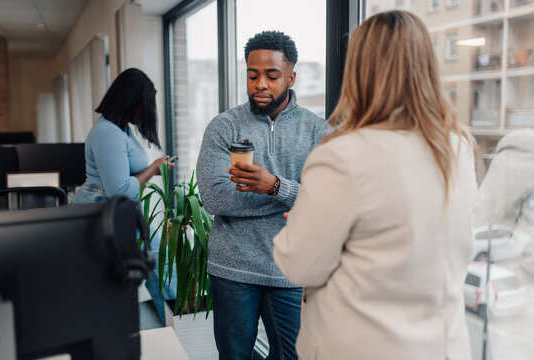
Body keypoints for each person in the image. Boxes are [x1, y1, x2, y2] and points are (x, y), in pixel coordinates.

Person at [273, 11, 477, 360]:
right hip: (443, 348)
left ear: (360, 70)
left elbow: (300, 265)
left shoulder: (343, 155)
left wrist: (302, 223)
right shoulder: (457, 148)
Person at [196, 31, 326, 360]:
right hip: (234, 267)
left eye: (272, 75)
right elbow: (214, 198)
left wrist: (274, 185)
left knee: (293, 355)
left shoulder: (317, 131)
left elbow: (326, 203)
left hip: (290, 268)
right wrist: (292, 199)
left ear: (291, 77)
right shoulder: (222, 127)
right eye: (253, 75)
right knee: (235, 355)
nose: (260, 84)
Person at [71, 68, 176, 323]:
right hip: (104, 209)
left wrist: (153, 170)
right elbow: (119, 189)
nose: (148, 111)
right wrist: (152, 169)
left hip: (121, 210)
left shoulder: (121, 130)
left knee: (163, 266)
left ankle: (173, 325)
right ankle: (172, 326)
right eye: (146, 104)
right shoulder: (107, 133)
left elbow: (123, 172)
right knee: (160, 266)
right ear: (131, 101)